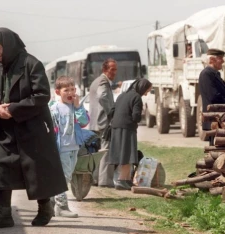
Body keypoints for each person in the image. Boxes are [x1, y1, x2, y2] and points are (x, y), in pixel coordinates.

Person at [0, 27, 67, 228]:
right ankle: (3, 214)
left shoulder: (31, 64)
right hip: (1, 126)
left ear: (8, 45)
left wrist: (14, 109)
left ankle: (45, 207)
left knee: (35, 169)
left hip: (30, 125)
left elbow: (42, 95)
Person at [49, 76, 89, 218]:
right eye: (67, 90)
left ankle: (51, 202)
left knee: (67, 175)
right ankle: (61, 206)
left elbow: (84, 122)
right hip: (61, 148)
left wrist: (78, 107)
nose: (70, 92)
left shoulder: (76, 107)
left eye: (73, 89)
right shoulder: (54, 108)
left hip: (74, 147)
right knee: (64, 177)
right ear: (58, 92)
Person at [108, 79, 152, 190]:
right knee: (127, 155)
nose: (146, 93)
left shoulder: (121, 95)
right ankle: (122, 180)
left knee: (123, 154)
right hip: (127, 128)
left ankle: (126, 180)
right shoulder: (137, 97)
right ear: (142, 88)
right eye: (147, 90)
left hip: (116, 127)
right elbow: (136, 116)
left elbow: (111, 111)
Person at [88, 58, 117, 188]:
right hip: (104, 122)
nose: (115, 72)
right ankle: (105, 181)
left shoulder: (95, 81)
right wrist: (111, 111)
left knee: (98, 153)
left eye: (116, 69)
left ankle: (95, 179)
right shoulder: (103, 81)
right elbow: (102, 96)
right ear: (105, 70)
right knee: (106, 151)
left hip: (95, 122)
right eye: (112, 69)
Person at [199, 48, 225, 146]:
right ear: (212, 60)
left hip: (219, 119)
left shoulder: (214, 74)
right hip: (214, 119)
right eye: (220, 58)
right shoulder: (206, 74)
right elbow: (213, 96)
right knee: (216, 149)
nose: (223, 61)